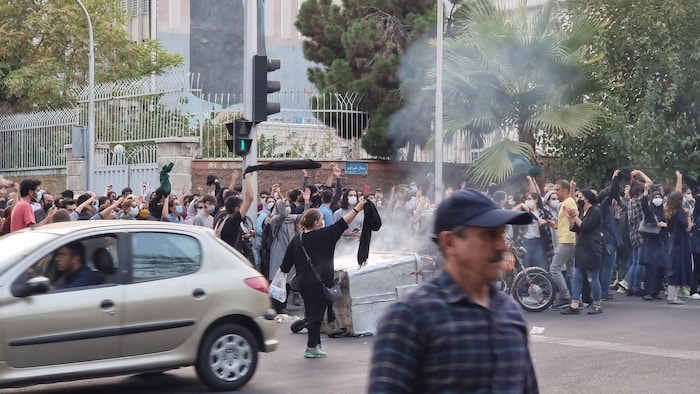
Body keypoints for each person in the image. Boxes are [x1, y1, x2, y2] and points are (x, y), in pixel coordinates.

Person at [368, 189, 538, 392]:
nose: (501, 246)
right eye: (489, 235)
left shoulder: (511, 313)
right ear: (450, 243)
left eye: (501, 234)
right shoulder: (410, 317)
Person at [280, 198, 367, 359]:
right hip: (318, 283)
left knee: (312, 312)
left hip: (303, 282)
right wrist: (358, 208)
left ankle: (317, 343)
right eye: (321, 219)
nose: (323, 222)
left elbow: (285, 265)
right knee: (316, 315)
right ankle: (311, 347)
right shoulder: (325, 235)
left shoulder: (297, 239)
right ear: (316, 223)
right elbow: (342, 223)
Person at [560, 189, 604, 315]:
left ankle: (597, 303)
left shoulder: (595, 211)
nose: (578, 199)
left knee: (593, 277)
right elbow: (574, 228)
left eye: (580, 197)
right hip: (581, 248)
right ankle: (574, 304)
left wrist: (575, 216)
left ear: (587, 198)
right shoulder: (581, 212)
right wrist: (570, 217)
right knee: (577, 277)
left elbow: (586, 226)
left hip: (592, 249)